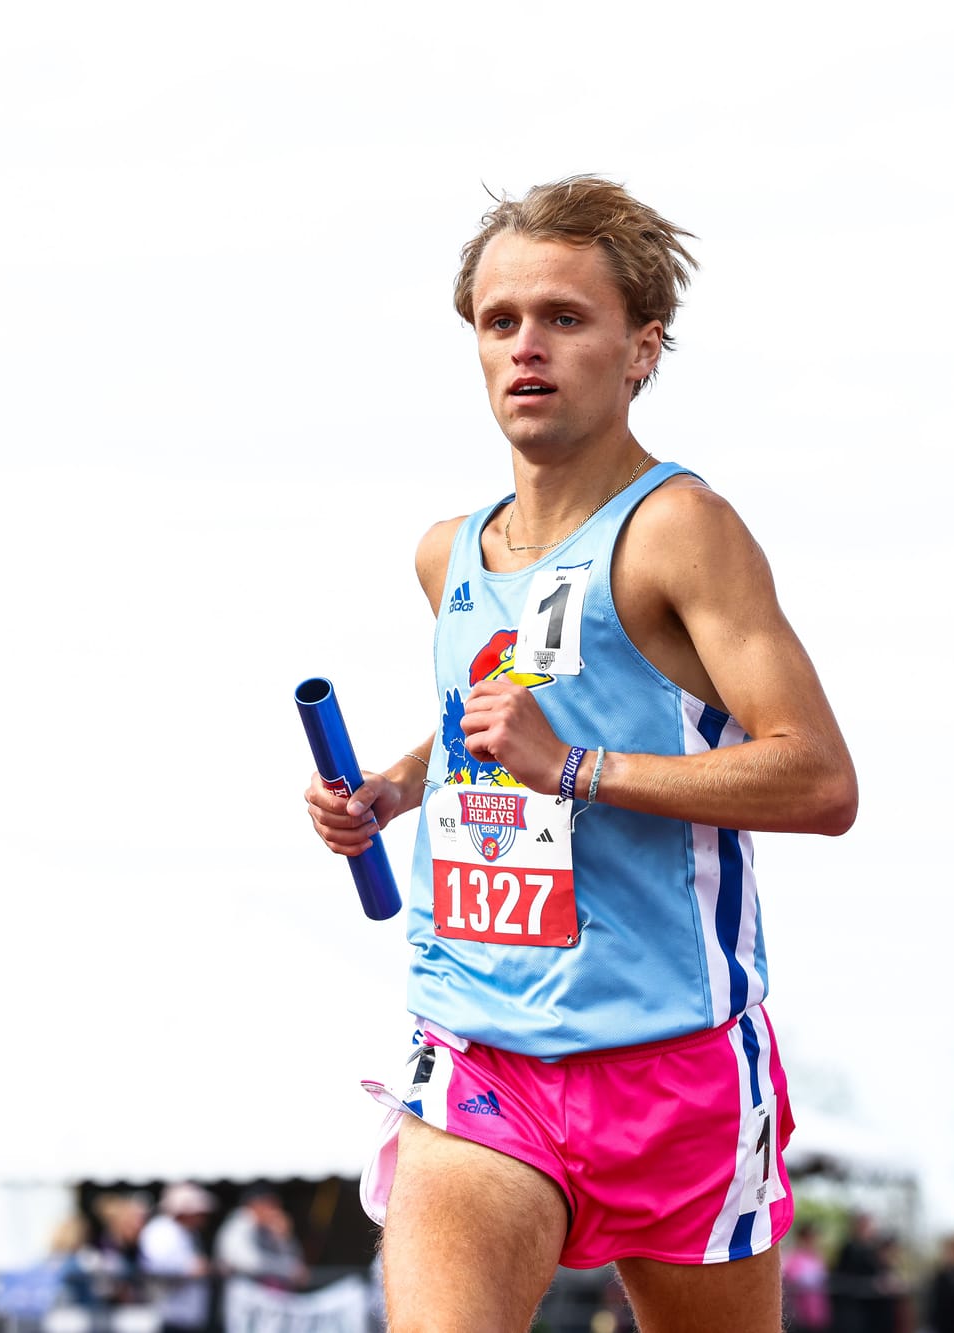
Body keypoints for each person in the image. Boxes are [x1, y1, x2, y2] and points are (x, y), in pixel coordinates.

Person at [304, 175, 857, 1333]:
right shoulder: (448, 554)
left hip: (676, 1075)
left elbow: (814, 775)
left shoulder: (679, 530)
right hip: (481, 1055)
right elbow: (495, 721)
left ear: (640, 346)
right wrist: (396, 788)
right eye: (499, 322)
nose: (526, 347)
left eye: (564, 317)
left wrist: (576, 771)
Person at [139, 1183, 214, 1333]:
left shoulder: (190, 1233)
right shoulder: (160, 1230)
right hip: (170, 1315)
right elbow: (153, 1265)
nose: (202, 1218)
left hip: (191, 1316)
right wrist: (190, 1268)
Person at [215, 1186, 307, 1292]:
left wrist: (284, 1237)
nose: (275, 1211)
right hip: (241, 1292)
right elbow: (250, 1263)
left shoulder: (266, 1227)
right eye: (271, 1205)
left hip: (264, 1293)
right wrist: (287, 1268)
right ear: (255, 1205)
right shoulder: (239, 1225)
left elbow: (296, 1261)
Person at [779, 1222, 829, 1332]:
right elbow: (791, 1278)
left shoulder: (817, 1257)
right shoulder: (793, 1257)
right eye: (808, 1237)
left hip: (817, 1311)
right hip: (799, 1312)